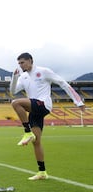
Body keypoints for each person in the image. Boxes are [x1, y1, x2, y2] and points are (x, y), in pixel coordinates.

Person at [10, 52, 85, 180]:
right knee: (36, 142)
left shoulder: (43, 71)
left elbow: (63, 83)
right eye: (19, 63)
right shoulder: (23, 77)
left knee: (16, 103)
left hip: (43, 104)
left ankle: (27, 131)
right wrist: (14, 77)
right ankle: (42, 172)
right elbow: (13, 91)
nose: (20, 65)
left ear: (30, 61)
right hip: (35, 110)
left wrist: (78, 101)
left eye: (22, 62)